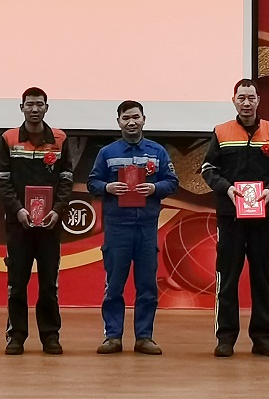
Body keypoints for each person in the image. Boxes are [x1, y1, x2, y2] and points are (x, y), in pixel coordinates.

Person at [201, 78, 269, 358]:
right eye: (241, 98)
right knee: (227, 278)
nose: (246, 103)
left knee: (262, 278)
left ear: (258, 101)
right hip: (230, 217)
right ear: (233, 101)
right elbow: (208, 169)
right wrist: (227, 189)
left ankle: (263, 338)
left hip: (264, 216)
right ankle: (225, 338)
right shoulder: (221, 132)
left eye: (251, 98)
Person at [87, 100, 178, 355]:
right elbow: (92, 182)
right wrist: (107, 187)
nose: (131, 122)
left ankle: (144, 337)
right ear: (118, 122)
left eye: (136, 117)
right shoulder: (107, 153)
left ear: (144, 120)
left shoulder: (157, 152)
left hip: (146, 227)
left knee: (147, 285)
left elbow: (172, 182)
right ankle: (113, 336)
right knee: (114, 285)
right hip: (117, 227)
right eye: (126, 118)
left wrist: (155, 188)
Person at [0, 87, 74, 355]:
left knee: (49, 284)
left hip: (50, 225)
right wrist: (18, 210)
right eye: (29, 104)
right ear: (22, 108)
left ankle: (50, 336)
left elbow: (66, 180)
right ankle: (16, 336)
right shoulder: (8, 139)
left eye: (39, 104)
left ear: (46, 108)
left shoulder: (60, 139)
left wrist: (58, 210)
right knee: (17, 283)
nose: (34, 109)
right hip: (18, 225)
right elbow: (3, 181)